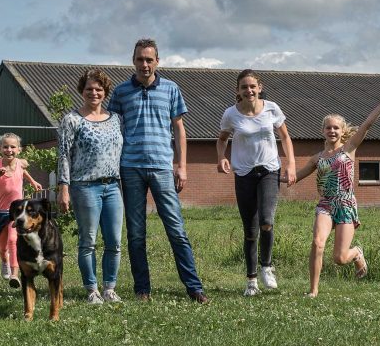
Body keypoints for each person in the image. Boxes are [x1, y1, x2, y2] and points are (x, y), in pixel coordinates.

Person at [107, 38, 208, 303]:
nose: (144, 64)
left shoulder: (171, 89)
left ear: (157, 62)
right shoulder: (119, 92)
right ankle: (142, 290)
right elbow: (113, 131)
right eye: (140, 59)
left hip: (163, 166)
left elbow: (179, 129)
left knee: (176, 229)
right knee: (136, 232)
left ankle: (194, 288)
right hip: (130, 167)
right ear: (133, 61)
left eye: (149, 59)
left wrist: (182, 166)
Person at [291, 84, 380, 297]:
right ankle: (313, 291)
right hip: (325, 204)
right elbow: (295, 177)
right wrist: (263, 173)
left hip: (345, 204)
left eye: (336, 128)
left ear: (342, 132)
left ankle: (357, 253)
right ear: (322, 131)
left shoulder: (349, 148)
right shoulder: (317, 158)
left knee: (340, 258)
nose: (332, 131)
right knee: (317, 243)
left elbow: (368, 124)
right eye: (328, 128)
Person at [216, 69, 297, 296]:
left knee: (267, 220)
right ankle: (251, 281)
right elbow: (222, 139)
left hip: (269, 170)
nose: (249, 90)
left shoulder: (272, 108)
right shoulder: (231, 114)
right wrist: (221, 157)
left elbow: (285, 137)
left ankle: (267, 266)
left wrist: (290, 164)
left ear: (259, 87)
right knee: (250, 230)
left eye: (252, 86)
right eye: (244, 87)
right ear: (238, 91)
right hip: (243, 173)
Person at [57, 69, 124, 304]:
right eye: (89, 89)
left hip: (113, 186)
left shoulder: (116, 119)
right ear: (82, 91)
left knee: (114, 241)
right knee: (89, 241)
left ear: (105, 92)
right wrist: (63, 187)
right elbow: (64, 155)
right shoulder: (72, 119)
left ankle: (109, 288)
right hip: (84, 187)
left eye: (98, 89)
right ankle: (92, 290)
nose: (94, 92)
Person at [0, 133, 42, 288]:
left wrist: (33, 182)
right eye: (5, 146)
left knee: (14, 240)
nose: (9, 150)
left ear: (19, 149)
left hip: (17, 212)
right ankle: (4, 261)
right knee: (2, 247)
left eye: (13, 147)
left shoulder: (21, 163)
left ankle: (14, 274)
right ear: (0, 148)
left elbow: (23, 171)